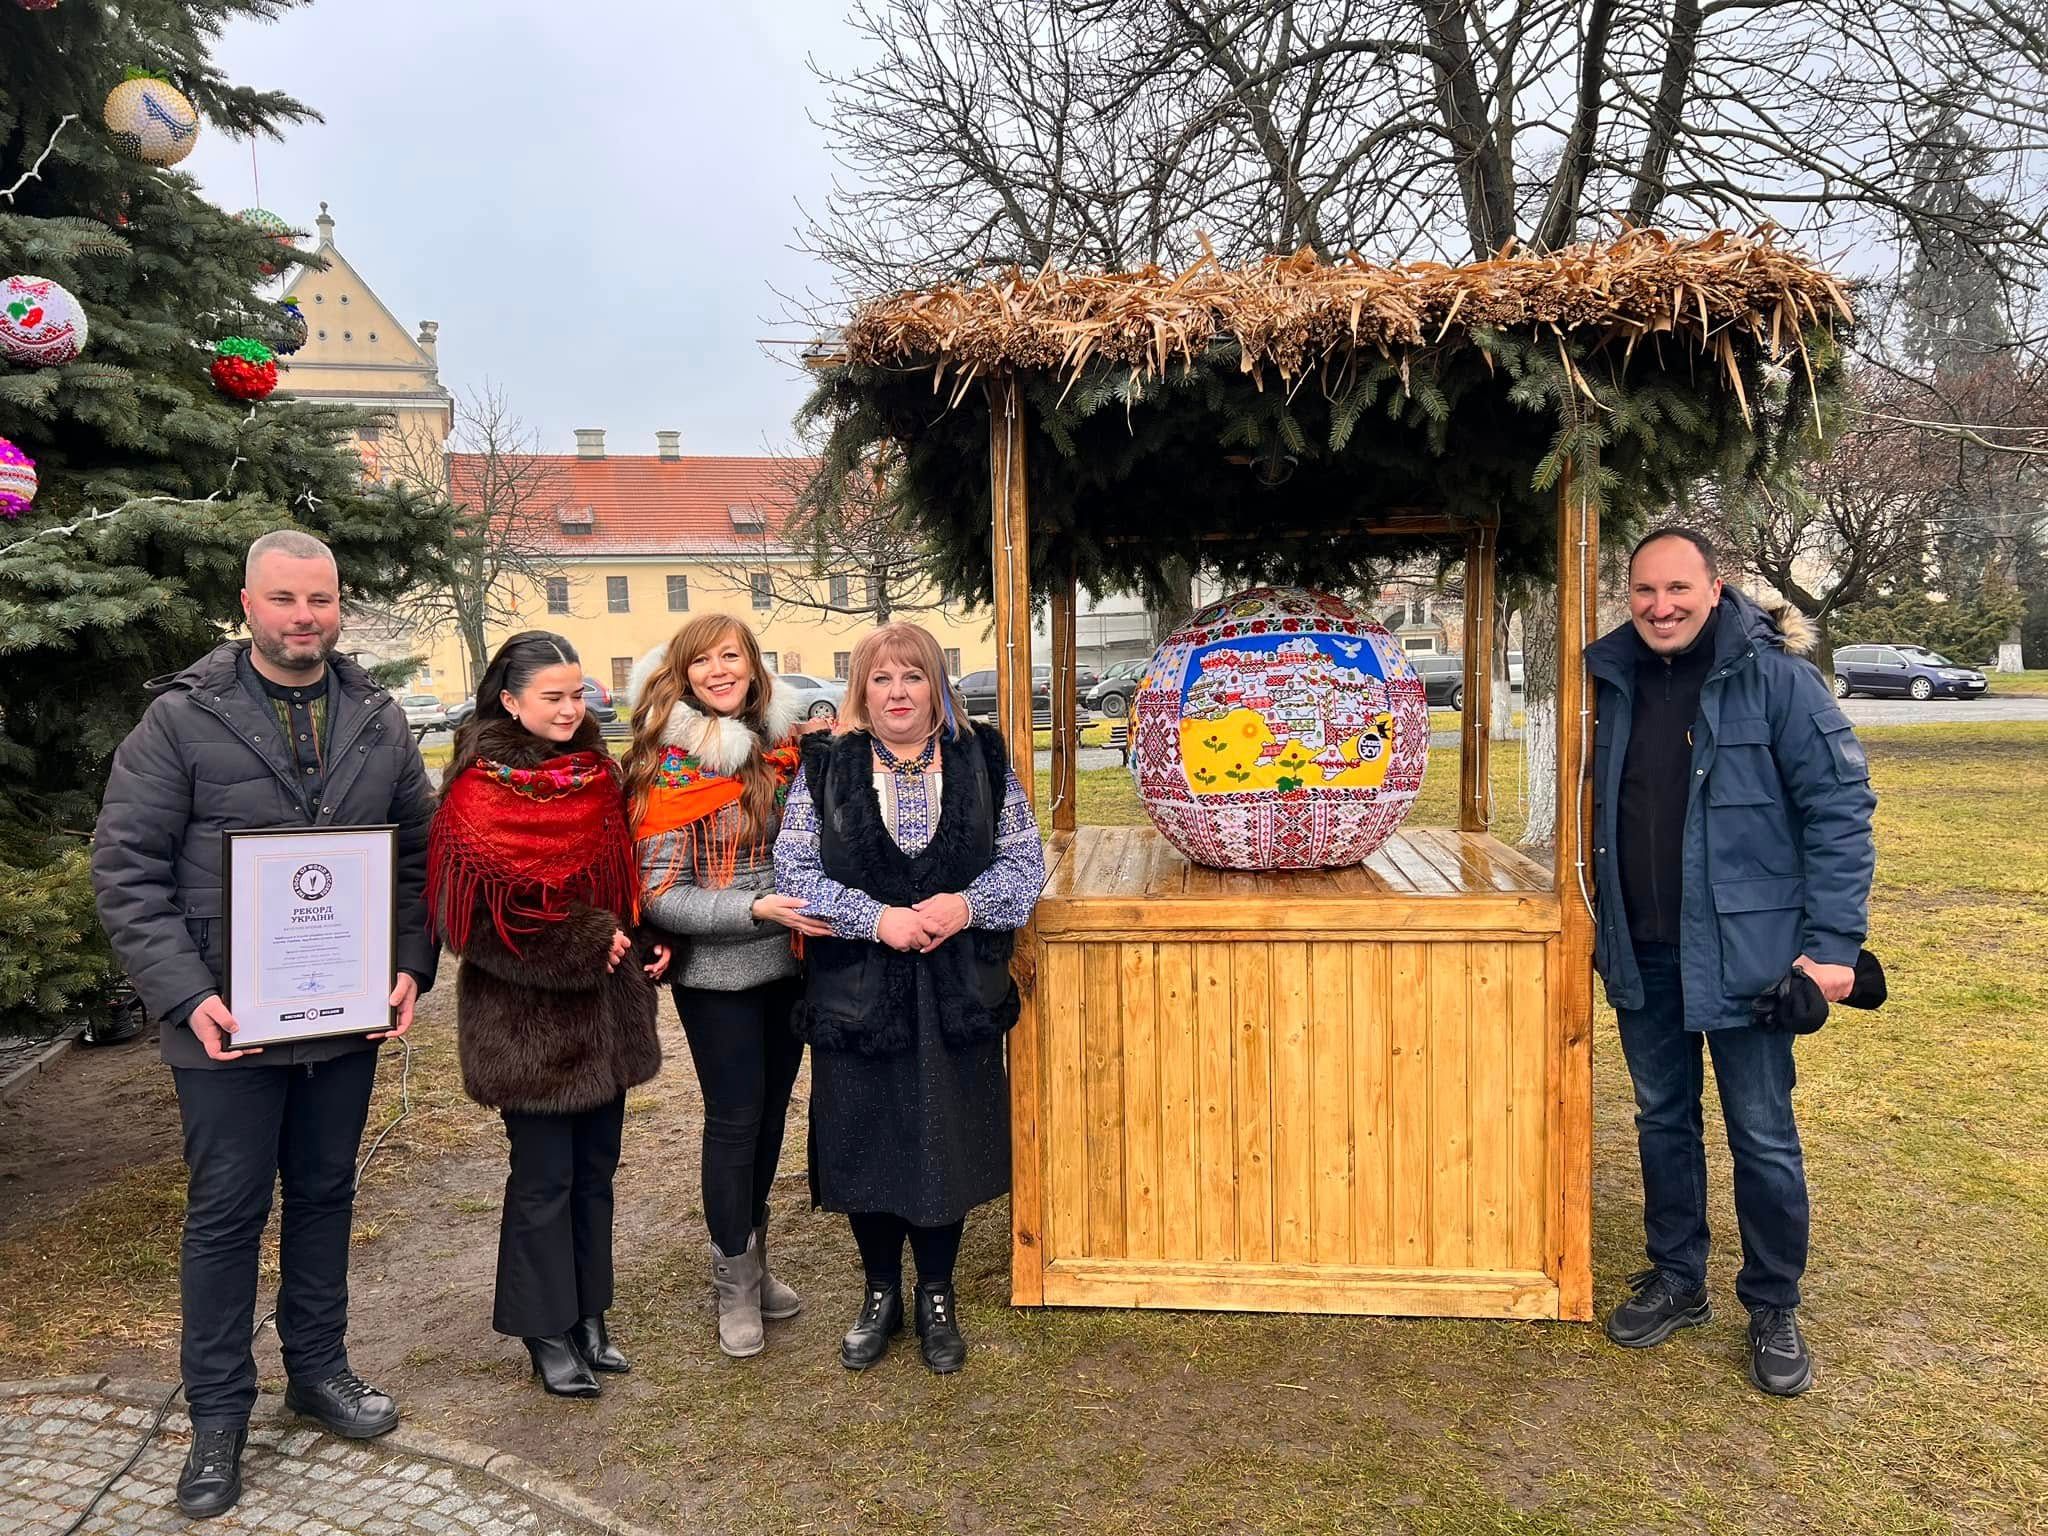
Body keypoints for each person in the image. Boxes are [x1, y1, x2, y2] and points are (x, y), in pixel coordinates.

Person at [91, 530, 437, 1520]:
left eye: (319, 600)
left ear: (338, 605)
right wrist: (184, 993)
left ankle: (318, 1372)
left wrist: (410, 964)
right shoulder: (180, 722)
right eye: (283, 599)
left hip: (340, 1018)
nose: (303, 617)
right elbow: (126, 872)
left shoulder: (376, 717)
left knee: (326, 1194)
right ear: (247, 604)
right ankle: (217, 1415)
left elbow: (416, 854)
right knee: (229, 1213)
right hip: (225, 1026)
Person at [1586, 527, 1876, 1397]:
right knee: (1661, 1120)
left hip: (1751, 958)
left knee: (1761, 1132)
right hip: (1640, 948)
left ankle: (1773, 1303)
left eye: (1677, 588)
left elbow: (1840, 810)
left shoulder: (1779, 682)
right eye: (1643, 591)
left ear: (1717, 589)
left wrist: (1830, 950)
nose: (1660, 607)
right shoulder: (1611, 681)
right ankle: (1677, 1277)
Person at [773, 623, 1046, 1374]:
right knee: (866, 1137)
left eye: (913, 677)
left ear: (937, 687)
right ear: (862, 688)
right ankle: (880, 1294)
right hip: (858, 993)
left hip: (957, 987)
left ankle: (937, 1296)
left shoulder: (982, 757)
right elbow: (793, 868)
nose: (898, 692)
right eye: (882, 678)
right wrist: (876, 919)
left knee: (945, 1139)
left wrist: (965, 905)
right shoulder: (826, 766)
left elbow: (1025, 863)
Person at [426, 630, 666, 1401]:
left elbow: (620, 878)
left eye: (577, 694)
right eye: (552, 697)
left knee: (596, 1172)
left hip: (606, 1018)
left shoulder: (599, 775)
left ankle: (592, 1314)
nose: (570, 709)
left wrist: (644, 937)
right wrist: (581, 941)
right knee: (542, 1181)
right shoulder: (474, 792)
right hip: (525, 1029)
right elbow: (468, 924)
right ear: (510, 699)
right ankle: (544, 1330)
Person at [621, 615, 826, 1358]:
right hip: (719, 975)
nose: (718, 670)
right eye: (701, 660)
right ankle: (732, 1284)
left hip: (792, 961)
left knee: (773, 1117)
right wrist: (754, 905)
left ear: (752, 664)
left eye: (730, 656)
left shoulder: (781, 752)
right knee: (736, 1120)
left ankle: (755, 1256)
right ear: (682, 673)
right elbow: (660, 896)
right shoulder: (669, 767)